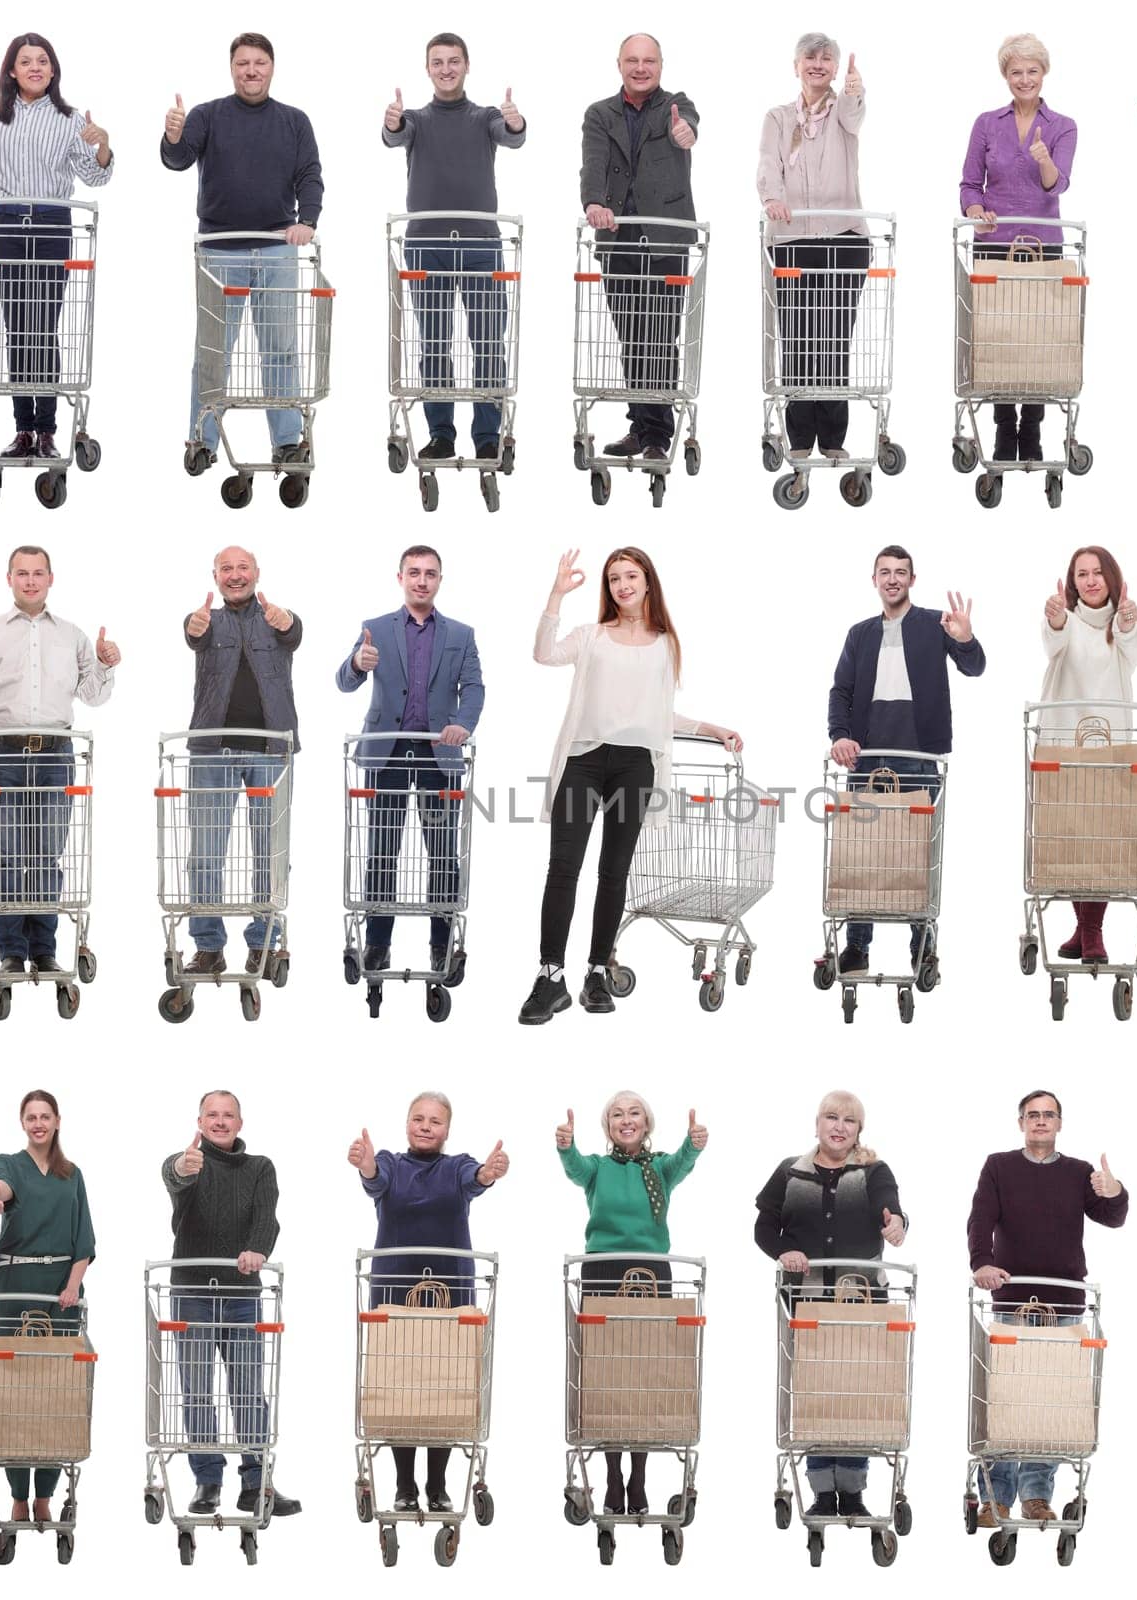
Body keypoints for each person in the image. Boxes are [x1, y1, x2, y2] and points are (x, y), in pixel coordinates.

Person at [522, 548, 742, 1025]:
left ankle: (597, 971)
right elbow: (543, 653)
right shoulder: (592, 636)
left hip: (635, 766)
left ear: (648, 583)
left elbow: (658, 715)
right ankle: (550, 977)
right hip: (583, 759)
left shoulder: (665, 644)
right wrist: (556, 595)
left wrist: (711, 728)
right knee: (564, 868)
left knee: (614, 872)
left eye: (631, 576)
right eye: (614, 578)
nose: (622, 585)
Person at [0, 546, 120, 975]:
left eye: (37, 573)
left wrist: (105, 663)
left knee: (46, 854)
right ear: (9, 579)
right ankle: (9, 952)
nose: (29, 580)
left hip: (55, 754)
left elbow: (94, 695)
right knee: (4, 854)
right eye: (21, 573)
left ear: (50, 579)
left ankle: (43, 949)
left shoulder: (72, 635)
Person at [161, 32, 323, 467]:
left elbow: (310, 174)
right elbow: (179, 159)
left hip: (276, 248)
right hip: (219, 251)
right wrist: (173, 138)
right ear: (231, 68)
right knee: (213, 352)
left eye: (259, 63)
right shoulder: (207, 115)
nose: (251, 71)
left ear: (272, 67)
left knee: (281, 349)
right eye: (242, 64)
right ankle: (202, 439)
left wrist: (306, 220)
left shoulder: (294, 121)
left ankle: (287, 440)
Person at [967, 1089, 1127, 1527]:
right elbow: (981, 1217)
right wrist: (981, 1262)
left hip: (1065, 1302)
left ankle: (1037, 1495)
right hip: (1012, 1300)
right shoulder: (999, 1166)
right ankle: (995, 1499)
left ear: (1059, 1124)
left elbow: (1113, 1217)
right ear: (1021, 1123)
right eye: (1032, 1115)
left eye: (1048, 1115)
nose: (1040, 1121)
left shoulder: (1078, 1172)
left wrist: (1114, 1192)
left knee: (1052, 1403)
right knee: (1005, 1400)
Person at [347, 1092, 509, 1511]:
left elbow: (476, 1178)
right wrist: (365, 1164)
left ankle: (437, 1485)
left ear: (447, 1130)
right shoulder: (391, 1164)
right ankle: (404, 1486)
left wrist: (489, 1173)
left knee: (445, 1381)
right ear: (406, 1124)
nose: (425, 1126)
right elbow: (375, 1180)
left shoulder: (456, 1167)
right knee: (399, 1382)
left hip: (450, 1290)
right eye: (418, 1118)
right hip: (393, 1289)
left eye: (434, 1121)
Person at [828, 544, 984, 970]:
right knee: (861, 854)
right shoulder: (860, 633)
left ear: (913, 580)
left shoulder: (937, 624)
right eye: (885, 572)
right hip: (867, 759)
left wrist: (965, 639)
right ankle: (857, 947)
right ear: (874, 579)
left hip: (919, 758)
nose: (893, 578)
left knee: (918, 855)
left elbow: (975, 668)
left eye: (901, 572)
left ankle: (921, 946)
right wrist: (839, 736)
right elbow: (841, 691)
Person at [754, 1090, 905, 1519]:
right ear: (816, 1123)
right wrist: (784, 1251)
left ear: (860, 1130)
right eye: (831, 1117)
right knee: (816, 1392)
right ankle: (822, 1491)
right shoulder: (790, 1172)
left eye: (849, 1121)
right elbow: (764, 1226)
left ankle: (853, 1491)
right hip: (808, 1303)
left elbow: (889, 1208)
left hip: (862, 1300)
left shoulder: (873, 1170)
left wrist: (894, 1223)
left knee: (857, 1392)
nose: (839, 1126)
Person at [556, 1091, 708, 1516]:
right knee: (607, 1372)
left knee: (645, 1372)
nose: (626, 1119)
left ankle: (638, 1478)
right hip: (602, 1268)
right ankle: (611, 1477)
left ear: (646, 1122)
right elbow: (574, 1168)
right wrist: (566, 1144)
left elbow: (683, 1161)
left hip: (651, 1270)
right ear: (607, 1127)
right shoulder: (597, 1169)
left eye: (634, 1112)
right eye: (617, 1115)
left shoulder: (659, 1168)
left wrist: (693, 1142)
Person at [0, 33, 112, 459]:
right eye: (25, 61)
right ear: (11, 71)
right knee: (16, 327)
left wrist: (102, 144)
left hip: (50, 225)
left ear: (53, 70)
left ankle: (46, 430)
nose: (35, 67)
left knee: (43, 327)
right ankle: (23, 430)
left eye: (42, 61)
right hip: (6, 223)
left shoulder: (70, 119)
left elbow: (95, 176)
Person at [336, 545, 483, 977]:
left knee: (441, 854)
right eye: (414, 573)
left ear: (440, 580)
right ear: (399, 577)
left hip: (440, 753)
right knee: (382, 851)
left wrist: (462, 724)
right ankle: (378, 945)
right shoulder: (374, 629)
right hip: (387, 753)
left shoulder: (461, 634)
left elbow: (473, 687)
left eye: (431, 574)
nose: (422, 580)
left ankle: (441, 944)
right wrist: (357, 663)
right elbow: (344, 681)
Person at [383, 34, 525, 462]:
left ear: (466, 66)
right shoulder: (416, 119)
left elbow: (512, 137)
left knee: (488, 341)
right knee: (435, 341)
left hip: (482, 244)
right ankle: (441, 434)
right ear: (428, 69)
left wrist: (515, 122)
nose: (446, 69)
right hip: (426, 246)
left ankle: (487, 437)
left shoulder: (484, 117)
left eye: (454, 61)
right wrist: (391, 123)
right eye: (438, 62)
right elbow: (395, 135)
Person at [162, 1090, 299, 1518]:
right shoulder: (189, 1161)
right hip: (194, 1294)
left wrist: (257, 1249)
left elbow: (266, 1215)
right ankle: (207, 1481)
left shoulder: (260, 1168)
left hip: (240, 1294)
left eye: (228, 1115)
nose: (220, 1122)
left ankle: (256, 1481)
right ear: (199, 1122)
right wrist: (183, 1167)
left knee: (247, 1389)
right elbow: (174, 1175)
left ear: (240, 1123)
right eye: (212, 1115)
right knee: (198, 1388)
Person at [580, 34, 700, 461]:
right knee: (632, 337)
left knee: (661, 337)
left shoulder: (677, 105)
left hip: (666, 240)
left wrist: (685, 132)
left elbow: (688, 125)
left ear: (661, 66)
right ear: (619, 65)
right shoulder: (599, 113)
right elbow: (592, 162)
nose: (641, 67)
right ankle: (639, 425)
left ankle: (656, 435)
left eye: (649, 60)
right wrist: (594, 202)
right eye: (632, 60)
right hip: (619, 238)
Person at [182, 546, 300, 978]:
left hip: (272, 750)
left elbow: (293, 634)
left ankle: (263, 941)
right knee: (205, 854)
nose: (235, 575)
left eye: (242, 567)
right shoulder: (205, 620)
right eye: (226, 569)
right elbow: (192, 635)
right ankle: (208, 946)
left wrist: (287, 623)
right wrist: (195, 628)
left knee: (270, 852)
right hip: (212, 750)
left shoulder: (278, 618)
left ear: (256, 573)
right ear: (215, 576)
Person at [960, 32, 1077, 464]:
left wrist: (1044, 157)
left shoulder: (1063, 125)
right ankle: (1003, 430)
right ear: (1005, 76)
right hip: (994, 244)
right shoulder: (987, 123)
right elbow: (971, 184)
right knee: (999, 339)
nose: (1024, 79)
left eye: (1032, 71)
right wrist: (976, 208)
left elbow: (1056, 183)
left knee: (1038, 341)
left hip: (1043, 247)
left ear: (1043, 73)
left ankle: (1032, 430)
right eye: (1016, 72)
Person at [0, 1089, 94, 1526]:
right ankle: (17, 1493)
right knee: (15, 1389)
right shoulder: (7, 1163)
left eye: (45, 1116)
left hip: (59, 1291)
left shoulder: (72, 1174)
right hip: (15, 1284)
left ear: (57, 1121)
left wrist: (72, 1286)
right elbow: (0, 1187)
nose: (38, 1123)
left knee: (55, 1390)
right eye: (31, 1117)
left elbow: (84, 1239)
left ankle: (46, 1493)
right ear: (22, 1122)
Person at [757, 36, 867, 461]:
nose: (817, 65)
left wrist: (856, 93)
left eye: (826, 59)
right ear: (796, 65)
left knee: (835, 338)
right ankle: (800, 438)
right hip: (793, 238)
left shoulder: (843, 110)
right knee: (799, 338)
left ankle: (834, 440)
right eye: (810, 58)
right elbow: (768, 163)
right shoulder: (779, 117)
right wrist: (771, 199)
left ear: (837, 69)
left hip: (844, 238)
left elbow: (855, 117)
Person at [1039, 546, 1137, 964]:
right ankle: (1083, 929)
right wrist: (1054, 617)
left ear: (1111, 578)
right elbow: (1054, 638)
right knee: (1069, 833)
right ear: (1072, 582)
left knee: (1100, 836)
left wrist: (1126, 621)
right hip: (1063, 741)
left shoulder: (1126, 623)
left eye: (1097, 572)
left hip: (1109, 746)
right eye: (1081, 574)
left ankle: (1092, 931)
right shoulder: (1066, 620)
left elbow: (1133, 643)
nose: (1090, 580)